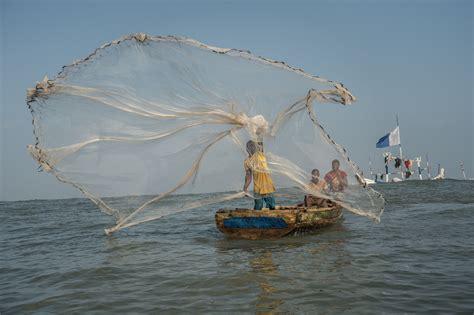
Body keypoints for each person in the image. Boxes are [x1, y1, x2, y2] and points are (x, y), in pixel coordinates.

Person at [243, 140, 276, 210]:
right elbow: (248, 176)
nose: (252, 147)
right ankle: (256, 219)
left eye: (253, 146)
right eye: (250, 146)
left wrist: (258, 133)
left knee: (271, 206)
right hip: (258, 188)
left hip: (267, 186)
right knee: (258, 206)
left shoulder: (260, 154)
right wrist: (245, 188)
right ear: (247, 149)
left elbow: (260, 142)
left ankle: (270, 218)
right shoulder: (247, 161)